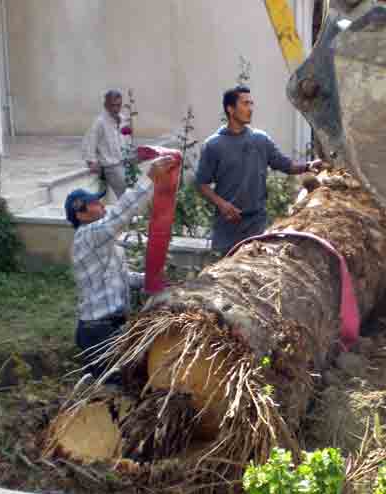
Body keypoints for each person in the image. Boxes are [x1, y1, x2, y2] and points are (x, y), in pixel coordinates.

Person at [64, 156, 177, 378]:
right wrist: (149, 178)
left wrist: (152, 280)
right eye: (95, 203)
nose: (102, 205)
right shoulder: (88, 234)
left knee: (115, 387)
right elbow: (121, 214)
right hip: (99, 332)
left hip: (107, 329)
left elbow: (120, 276)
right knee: (110, 391)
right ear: (80, 213)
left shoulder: (99, 241)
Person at [195, 85, 322, 254]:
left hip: (257, 224)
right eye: (245, 104)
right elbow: (201, 184)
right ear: (230, 109)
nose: (250, 109)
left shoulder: (260, 140)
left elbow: (286, 165)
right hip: (228, 228)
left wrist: (308, 166)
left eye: (251, 104)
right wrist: (223, 205)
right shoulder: (213, 145)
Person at [82, 89, 127, 198]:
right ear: (106, 105)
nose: (116, 108)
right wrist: (91, 161)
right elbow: (90, 142)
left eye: (118, 105)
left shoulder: (123, 119)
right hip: (111, 166)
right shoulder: (100, 122)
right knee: (126, 194)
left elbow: (126, 140)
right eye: (113, 105)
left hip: (124, 162)